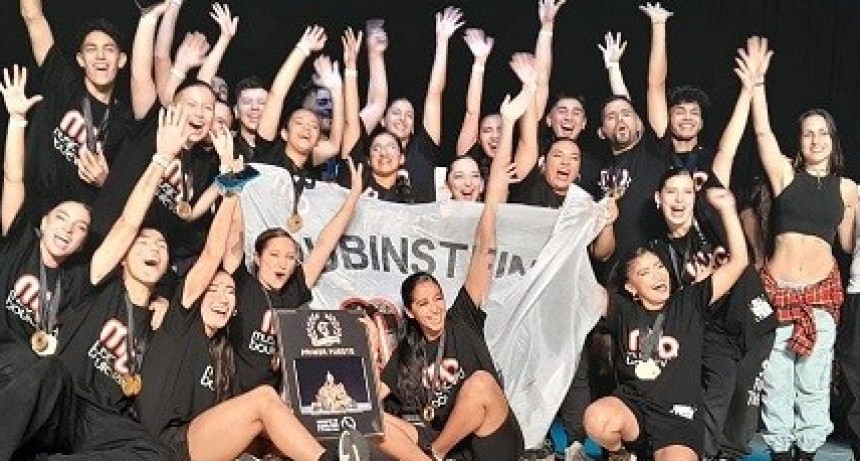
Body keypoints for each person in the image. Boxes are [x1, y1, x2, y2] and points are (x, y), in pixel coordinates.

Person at [130, 187, 367, 461]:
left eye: (229, 292)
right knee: (264, 399)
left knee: (286, 430)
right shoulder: (182, 324)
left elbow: (324, 246)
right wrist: (232, 186)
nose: (222, 298)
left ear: (234, 310)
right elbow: (214, 252)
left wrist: (354, 196)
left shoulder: (220, 352)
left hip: (208, 435)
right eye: (213, 290)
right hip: (166, 443)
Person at [745, 36, 858, 461]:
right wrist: (757, 85)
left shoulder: (848, 189)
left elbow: (846, 243)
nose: (815, 140)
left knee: (812, 383)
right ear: (800, 140)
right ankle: (779, 452)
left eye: (822, 133)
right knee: (777, 383)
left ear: (832, 139)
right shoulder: (784, 176)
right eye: (808, 133)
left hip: (821, 298)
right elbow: (761, 131)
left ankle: (807, 452)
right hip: (777, 293)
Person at [584, 186, 748, 461]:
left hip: (678, 417)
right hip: (634, 408)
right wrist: (604, 222)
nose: (657, 275)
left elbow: (739, 262)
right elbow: (580, 285)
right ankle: (621, 455)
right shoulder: (622, 309)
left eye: (659, 267)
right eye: (644, 272)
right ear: (631, 287)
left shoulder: (689, 302)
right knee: (597, 419)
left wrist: (729, 211)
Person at [225, 158, 365, 392]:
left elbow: (324, 245)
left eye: (290, 257)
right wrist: (233, 178)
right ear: (257, 258)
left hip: (272, 400)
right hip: (232, 396)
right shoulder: (242, 283)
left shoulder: (292, 291)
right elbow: (233, 232)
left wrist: (353, 197)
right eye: (274, 255)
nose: (282, 263)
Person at [19, 0, 133, 214]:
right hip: (31, 213)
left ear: (121, 60)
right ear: (81, 59)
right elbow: (32, 16)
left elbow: (129, 196)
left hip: (79, 226)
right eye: (91, 49)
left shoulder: (126, 122)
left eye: (109, 49)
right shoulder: (61, 82)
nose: (100, 56)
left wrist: (106, 182)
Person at [639, 3, 715, 173]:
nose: (687, 118)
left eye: (694, 113)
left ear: (702, 123)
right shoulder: (659, 152)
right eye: (680, 112)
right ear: (668, 118)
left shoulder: (714, 159)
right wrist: (659, 24)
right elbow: (656, 85)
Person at [232, 76, 268, 160]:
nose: (254, 107)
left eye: (262, 102)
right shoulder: (224, 148)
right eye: (247, 102)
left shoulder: (283, 150)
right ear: (236, 111)